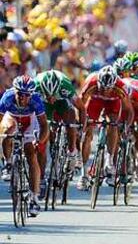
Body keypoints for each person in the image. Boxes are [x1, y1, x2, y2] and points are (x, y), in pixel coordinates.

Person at [77, 66, 134, 190]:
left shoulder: (121, 87)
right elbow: (80, 105)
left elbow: (129, 110)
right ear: (98, 83)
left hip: (113, 103)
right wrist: (82, 124)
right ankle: (84, 174)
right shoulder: (91, 83)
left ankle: (109, 159)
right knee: (87, 133)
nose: (105, 92)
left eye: (109, 89)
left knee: (113, 123)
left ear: (114, 85)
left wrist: (126, 127)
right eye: (102, 88)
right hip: (94, 101)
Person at [0, 75, 49, 216]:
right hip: (12, 117)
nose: (22, 98)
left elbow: (44, 125)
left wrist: (39, 141)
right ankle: (8, 164)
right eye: (19, 94)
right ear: (14, 91)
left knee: (31, 155)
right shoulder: (7, 98)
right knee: (8, 131)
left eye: (26, 95)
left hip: (30, 120)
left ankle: (34, 199)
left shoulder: (36, 100)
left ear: (31, 95)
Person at [34, 70, 86, 197]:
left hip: (62, 101)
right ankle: (41, 179)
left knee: (70, 121)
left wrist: (81, 129)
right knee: (43, 139)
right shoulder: (35, 87)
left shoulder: (65, 87)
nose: (51, 98)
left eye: (53, 95)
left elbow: (81, 108)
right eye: (48, 95)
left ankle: (72, 152)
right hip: (44, 105)